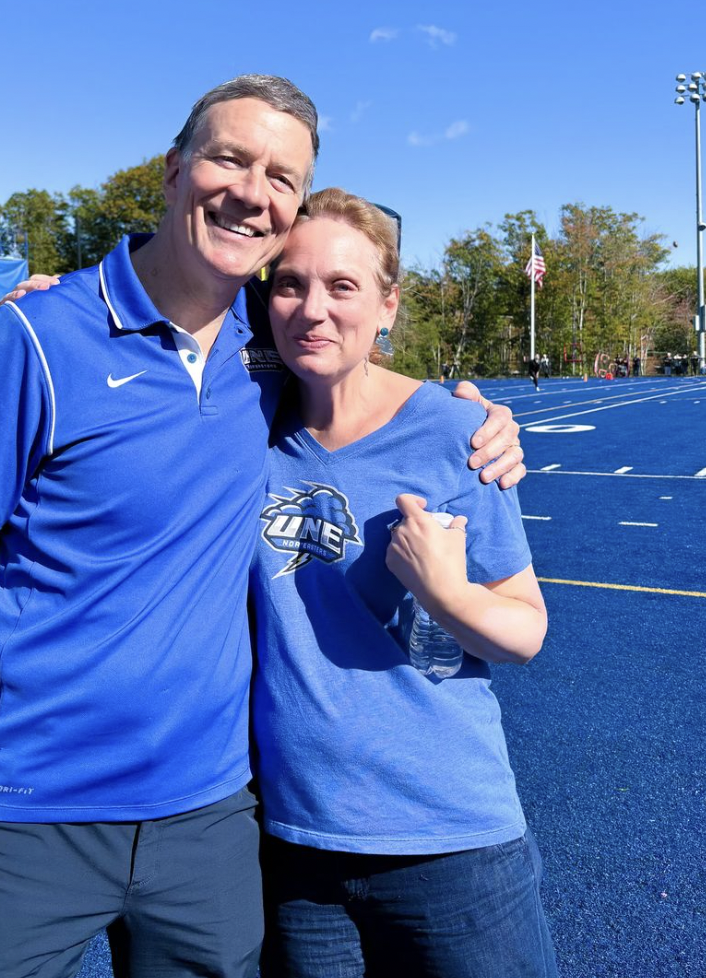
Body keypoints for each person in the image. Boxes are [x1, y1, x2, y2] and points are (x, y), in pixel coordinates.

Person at [0, 76, 525, 978]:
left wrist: (471, 418)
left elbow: (353, 356)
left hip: (208, 817)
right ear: (173, 171)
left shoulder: (269, 343)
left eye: (281, 177)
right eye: (229, 158)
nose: (253, 190)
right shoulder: (39, 339)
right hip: (23, 806)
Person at [252, 188, 556, 977]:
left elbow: (526, 631)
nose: (312, 309)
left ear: (387, 306)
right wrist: (53, 297)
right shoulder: (242, 426)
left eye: (343, 286)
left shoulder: (461, 433)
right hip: (295, 850)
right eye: (290, 283)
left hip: (453, 845)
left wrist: (450, 594)